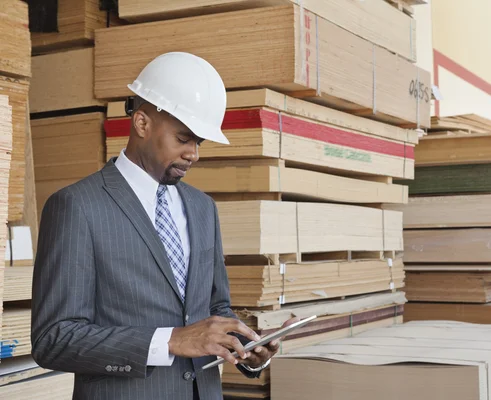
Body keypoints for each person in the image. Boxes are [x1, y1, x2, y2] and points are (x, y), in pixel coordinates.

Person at [30, 52, 298, 400]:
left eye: (198, 143)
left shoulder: (202, 208)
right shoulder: (77, 206)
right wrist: (170, 340)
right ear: (142, 124)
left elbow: (215, 309)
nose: (194, 154)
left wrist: (246, 345)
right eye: (184, 138)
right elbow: (54, 339)